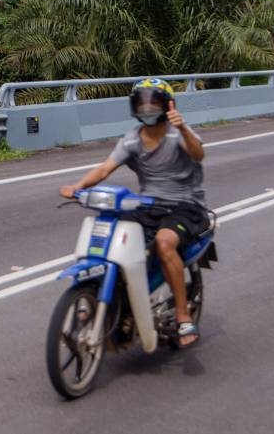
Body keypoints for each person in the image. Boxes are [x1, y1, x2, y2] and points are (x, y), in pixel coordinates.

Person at [59, 78, 209, 349]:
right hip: (149, 206)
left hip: (186, 207)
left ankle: (183, 316)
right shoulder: (132, 140)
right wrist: (78, 187)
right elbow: (104, 169)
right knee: (111, 237)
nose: (147, 108)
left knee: (164, 242)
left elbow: (198, 154)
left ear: (168, 105)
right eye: (142, 103)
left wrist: (182, 126)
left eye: (154, 103)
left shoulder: (177, 134)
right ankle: (110, 300)